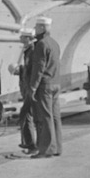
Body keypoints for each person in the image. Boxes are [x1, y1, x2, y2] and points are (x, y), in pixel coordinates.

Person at [27, 16, 62, 158]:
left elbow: (39, 67)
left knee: (46, 117)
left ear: (42, 28)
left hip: (45, 85)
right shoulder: (54, 43)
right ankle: (57, 147)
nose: (35, 30)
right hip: (56, 83)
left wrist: (33, 87)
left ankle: (47, 149)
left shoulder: (41, 44)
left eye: (36, 27)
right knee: (55, 117)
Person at [10, 28, 38, 154]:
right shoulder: (29, 51)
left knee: (26, 115)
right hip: (30, 90)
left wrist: (31, 90)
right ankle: (30, 143)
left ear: (28, 38)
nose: (20, 39)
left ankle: (31, 144)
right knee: (27, 116)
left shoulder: (31, 51)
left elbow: (32, 73)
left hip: (31, 91)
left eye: (22, 37)